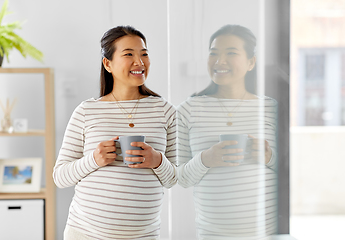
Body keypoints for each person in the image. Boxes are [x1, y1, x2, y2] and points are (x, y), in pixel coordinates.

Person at [53, 25, 177, 240]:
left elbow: (174, 178)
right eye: (129, 54)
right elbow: (60, 177)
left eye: (144, 54)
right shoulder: (86, 111)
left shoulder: (165, 110)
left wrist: (157, 160)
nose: (139, 62)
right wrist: (93, 160)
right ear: (107, 63)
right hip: (86, 233)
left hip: (143, 236)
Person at [176, 24, 278, 239]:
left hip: (266, 233)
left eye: (231, 53)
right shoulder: (189, 109)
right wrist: (206, 159)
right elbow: (182, 177)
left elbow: (289, 170)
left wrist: (269, 157)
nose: (219, 61)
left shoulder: (270, 108)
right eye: (213, 53)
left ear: (251, 62)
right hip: (212, 234)